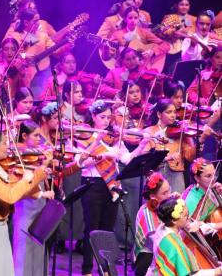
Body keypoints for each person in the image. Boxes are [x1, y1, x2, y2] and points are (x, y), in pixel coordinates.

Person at [75, 100, 151, 276]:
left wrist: (141, 145)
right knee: (91, 228)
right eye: (102, 117)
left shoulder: (114, 138)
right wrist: (98, 141)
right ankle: (87, 269)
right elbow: (81, 163)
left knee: (107, 229)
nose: (106, 121)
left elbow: (126, 159)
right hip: (92, 184)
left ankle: (107, 269)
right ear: (93, 116)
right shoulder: (86, 137)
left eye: (109, 117)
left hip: (111, 186)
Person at [0, 123, 49, 275]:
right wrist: (26, 179)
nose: (8, 147)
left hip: (0, 228)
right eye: (4, 143)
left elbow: (15, 191)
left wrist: (38, 174)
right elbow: (9, 196)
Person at [12, 120, 55, 276]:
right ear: (24, 136)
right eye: (36, 136)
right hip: (26, 204)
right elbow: (25, 183)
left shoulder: (34, 154)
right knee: (24, 245)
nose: (39, 139)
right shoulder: (18, 155)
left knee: (37, 244)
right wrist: (45, 165)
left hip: (39, 206)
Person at [147, 197, 222, 276]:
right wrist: (218, 271)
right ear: (174, 220)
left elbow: (194, 226)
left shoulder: (164, 226)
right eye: (186, 215)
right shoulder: (176, 246)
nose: (189, 218)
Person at [143, 99, 198, 193]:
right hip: (156, 175)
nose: (173, 115)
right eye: (169, 112)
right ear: (159, 115)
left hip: (176, 175)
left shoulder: (179, 132)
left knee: (178, 204)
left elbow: (189, 157)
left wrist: (199, 139)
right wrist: (168, 158)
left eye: (174, 112)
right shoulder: (149, 131)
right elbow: (145, 158)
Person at [106, 6, 170, 72]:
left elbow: (166, 45)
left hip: (142, 70)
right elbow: (106, 57)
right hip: (123, 71)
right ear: (125, 19)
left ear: (138, 18)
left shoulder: (144, 32)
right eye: (130, 18)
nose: (133, 20)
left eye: (135, 18)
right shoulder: (117, 34)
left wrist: (153, 52)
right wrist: (106, 50)